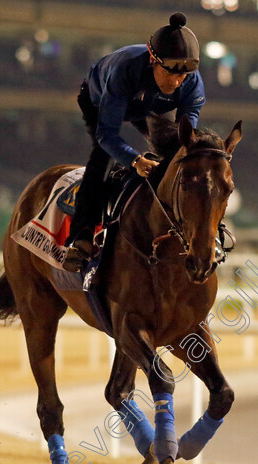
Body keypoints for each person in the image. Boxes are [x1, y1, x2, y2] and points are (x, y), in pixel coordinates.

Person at [62, 12, 205, 273]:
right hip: (100, 99)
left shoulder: (191, 83)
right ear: (153, 59)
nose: (176, 82)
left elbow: (186, 141)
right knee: (103, 157)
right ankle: (80, 237)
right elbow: (108, 134)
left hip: (147, 104)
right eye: (170, 72)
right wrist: (134, 160)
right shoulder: (124, 71)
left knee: (174, 152)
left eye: (183, 76)